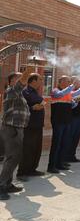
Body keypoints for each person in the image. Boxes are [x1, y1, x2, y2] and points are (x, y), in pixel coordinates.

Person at [0, 67, 33, 201]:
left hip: (18, 128)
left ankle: (7, 184)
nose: (23, 81)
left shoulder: (18, 94)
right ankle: (1, 186)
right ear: (13, 80)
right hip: (11, 128)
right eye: (19, 79)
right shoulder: (11, 90)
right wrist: (28, 71)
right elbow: (21, 83)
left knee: (15, 157)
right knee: (11, 157)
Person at [48, 76, 80, 174]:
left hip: (67, 121)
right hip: (58, 121)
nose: (69, 83)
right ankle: (51, 166)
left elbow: (76, 94)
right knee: (56, 144)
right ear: (61, 82)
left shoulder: (68, 93)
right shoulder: (55, 91)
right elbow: (61, 94)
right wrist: (73, 85)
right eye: (67, 81)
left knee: (64, 143)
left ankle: (60, 163)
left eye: (70, 82)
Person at [17, 73, 45, 181]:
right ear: (33, 81)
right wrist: (33, 108)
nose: (42, 82)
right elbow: (22, 106)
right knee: (27, 149)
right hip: (30, 125)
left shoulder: (35, 92)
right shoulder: (25, 91)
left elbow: (41, 102)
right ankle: (22, 172)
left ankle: (32, 169)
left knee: (36, 149)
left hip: (37, 125)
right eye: (40, 79)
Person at [67, 78, 80, 163]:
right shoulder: (70, 92)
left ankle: (72, 155)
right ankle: (67, 156)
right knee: (70, 137)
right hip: (72, 118)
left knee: (76, 138)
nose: (79, 84)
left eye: (79, 82)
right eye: (77, 82)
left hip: (79, 118)